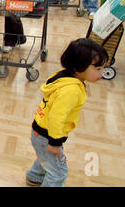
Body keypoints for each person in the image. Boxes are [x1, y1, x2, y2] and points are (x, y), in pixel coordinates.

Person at [26, 38, 108, 187]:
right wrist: (55, 143)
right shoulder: (71, 90)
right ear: (78, 67)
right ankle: (37, 176)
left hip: (41, 132)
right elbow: (56, 118)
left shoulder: (65, 76)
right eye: (98, 69)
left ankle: (34, 177)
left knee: (46, 159)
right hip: (48, 135)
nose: (102, 73)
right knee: (58, 173)